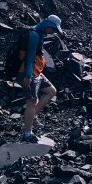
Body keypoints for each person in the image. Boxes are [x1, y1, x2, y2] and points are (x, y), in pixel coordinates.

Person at [16, 14, 62, 143]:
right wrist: (27, 75)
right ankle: (27, 133)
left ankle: (33, 116)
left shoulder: (38, 33)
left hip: (36, 72)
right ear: (48, 25)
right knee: (32, 101)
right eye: (53, 29)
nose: (53, 32)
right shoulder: (34, 35)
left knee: (51, 91)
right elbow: (30, 56)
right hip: (27, 72)